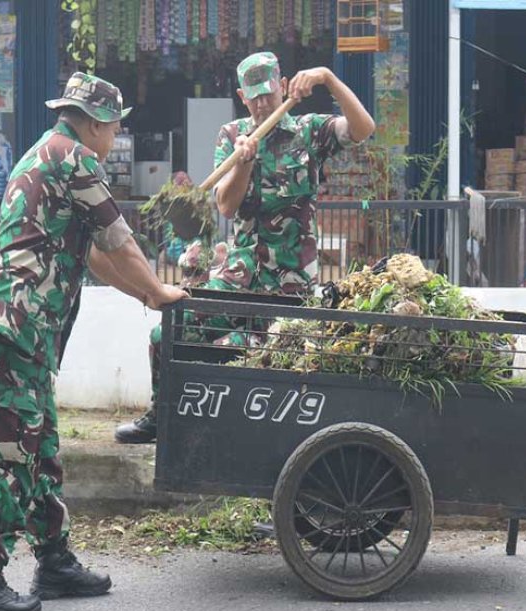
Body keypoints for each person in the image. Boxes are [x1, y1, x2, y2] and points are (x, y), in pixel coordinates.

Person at [0, 72, 187, 611]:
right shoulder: (75, 159)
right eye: (114, 128)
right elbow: (120, 240)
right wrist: (158, 290)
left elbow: (97, 259)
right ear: (95, 124)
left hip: (13, 324)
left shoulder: (44, 153)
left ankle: (54, 562)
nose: (114, 139)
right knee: (14, 453)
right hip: (17, 324)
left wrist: (147, 296)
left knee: (41, 443)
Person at [115, 51, 375, 444]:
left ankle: (223, 434)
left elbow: (363, 128)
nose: (262, 103)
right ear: (241, 95)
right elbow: (225, 205)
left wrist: (327, 78)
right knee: (167, 334)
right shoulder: (231, 136)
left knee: (233, 350)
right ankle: (161, 416)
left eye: (268, 94)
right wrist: (244, 162)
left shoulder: (309, 131)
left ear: (283, 87)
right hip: (238, 279)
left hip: (288, 291)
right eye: (253, 97)